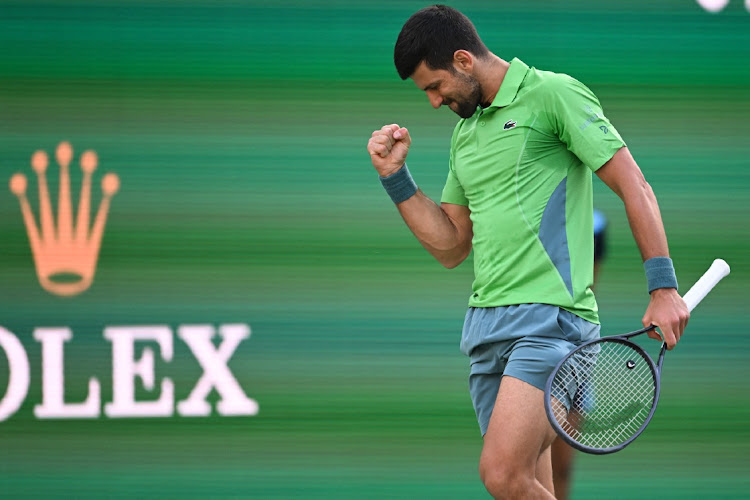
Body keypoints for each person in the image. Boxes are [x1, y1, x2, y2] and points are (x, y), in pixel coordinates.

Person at [366, 5, 689, 499]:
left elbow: (634, 185)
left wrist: (663, 285)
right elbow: (452, 245)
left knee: (502, 475)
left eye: (434, 86)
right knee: (531, 486)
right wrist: (395, 178)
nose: (433, 102)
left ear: (463, 61)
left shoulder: (553, 94)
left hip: (551, 326)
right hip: (485, 332)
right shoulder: (464, 136)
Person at [549, 209, 607, 500]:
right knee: (524, 467)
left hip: (572, 354)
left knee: (560, 468)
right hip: (530, 349)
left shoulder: (594, 223)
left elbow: (587, 284)